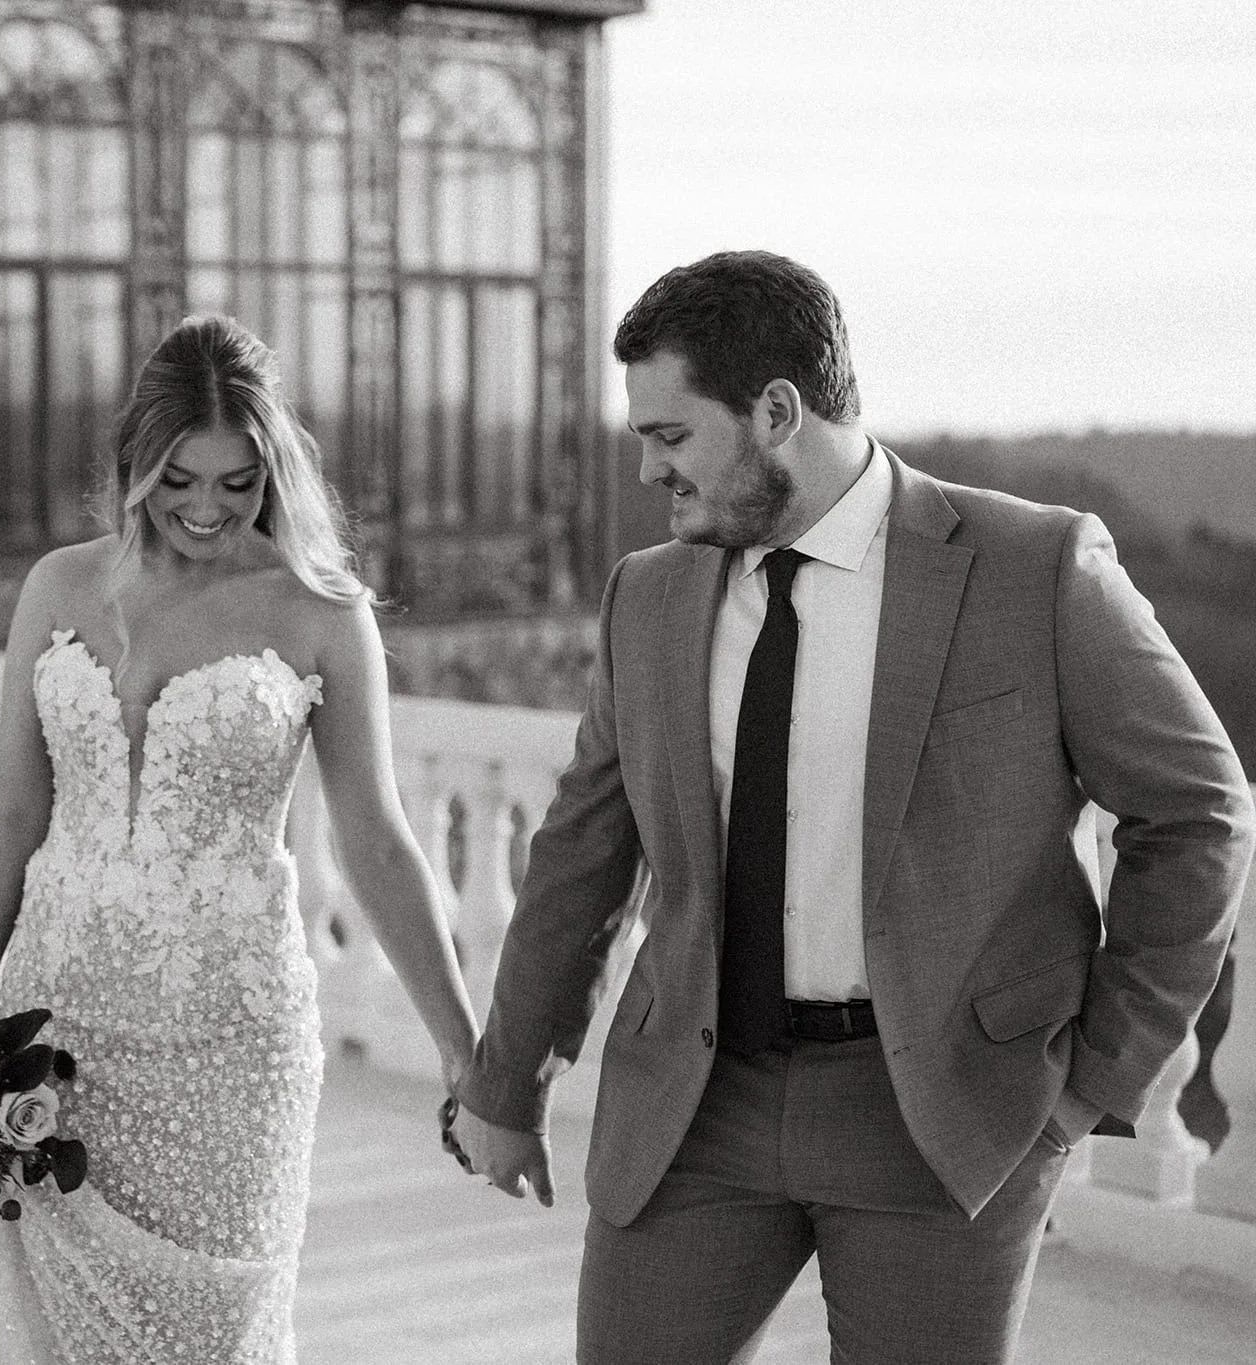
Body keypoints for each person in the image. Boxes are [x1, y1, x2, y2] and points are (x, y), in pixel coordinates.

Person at [446, 250, 1253, 1363]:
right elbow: (582, 851)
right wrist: (505, 1082)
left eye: (669, 436)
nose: (646, 471)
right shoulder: (650, 594)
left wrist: (1091, 1084)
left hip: (941, 1114)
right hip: (694, 1103)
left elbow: (1198, 813)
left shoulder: (1034, 568)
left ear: (775, 411)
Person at [0, 313, 479, 1363]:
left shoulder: (318, 610)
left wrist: (462, 1046)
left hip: (232, 1035)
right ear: (134, 465)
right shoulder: (58, 587)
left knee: (211, 1331)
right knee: (49, 1332)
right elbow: (11, 808)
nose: (207, 509)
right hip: (57, 1026)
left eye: (236, 482)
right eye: (179, 480)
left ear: (272, 472)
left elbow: (377, 841)